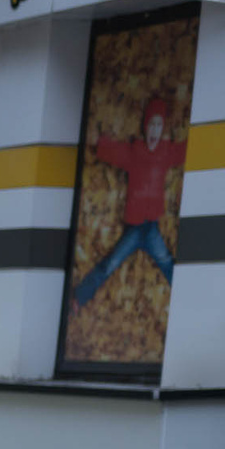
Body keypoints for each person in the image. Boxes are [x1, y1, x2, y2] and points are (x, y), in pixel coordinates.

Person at [73, 97, 186, 305]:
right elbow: (113, 151)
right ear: (146, 126)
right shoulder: (135, 151)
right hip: (134, 227)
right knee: (110, 264)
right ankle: (79, 298)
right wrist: (98, 141)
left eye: (159, 125)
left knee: (167, 263)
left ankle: (189, 299)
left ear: (163, 128)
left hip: (151, 228)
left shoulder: (166, 151)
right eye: (152, 124)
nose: (155, 130)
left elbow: (184, 150)